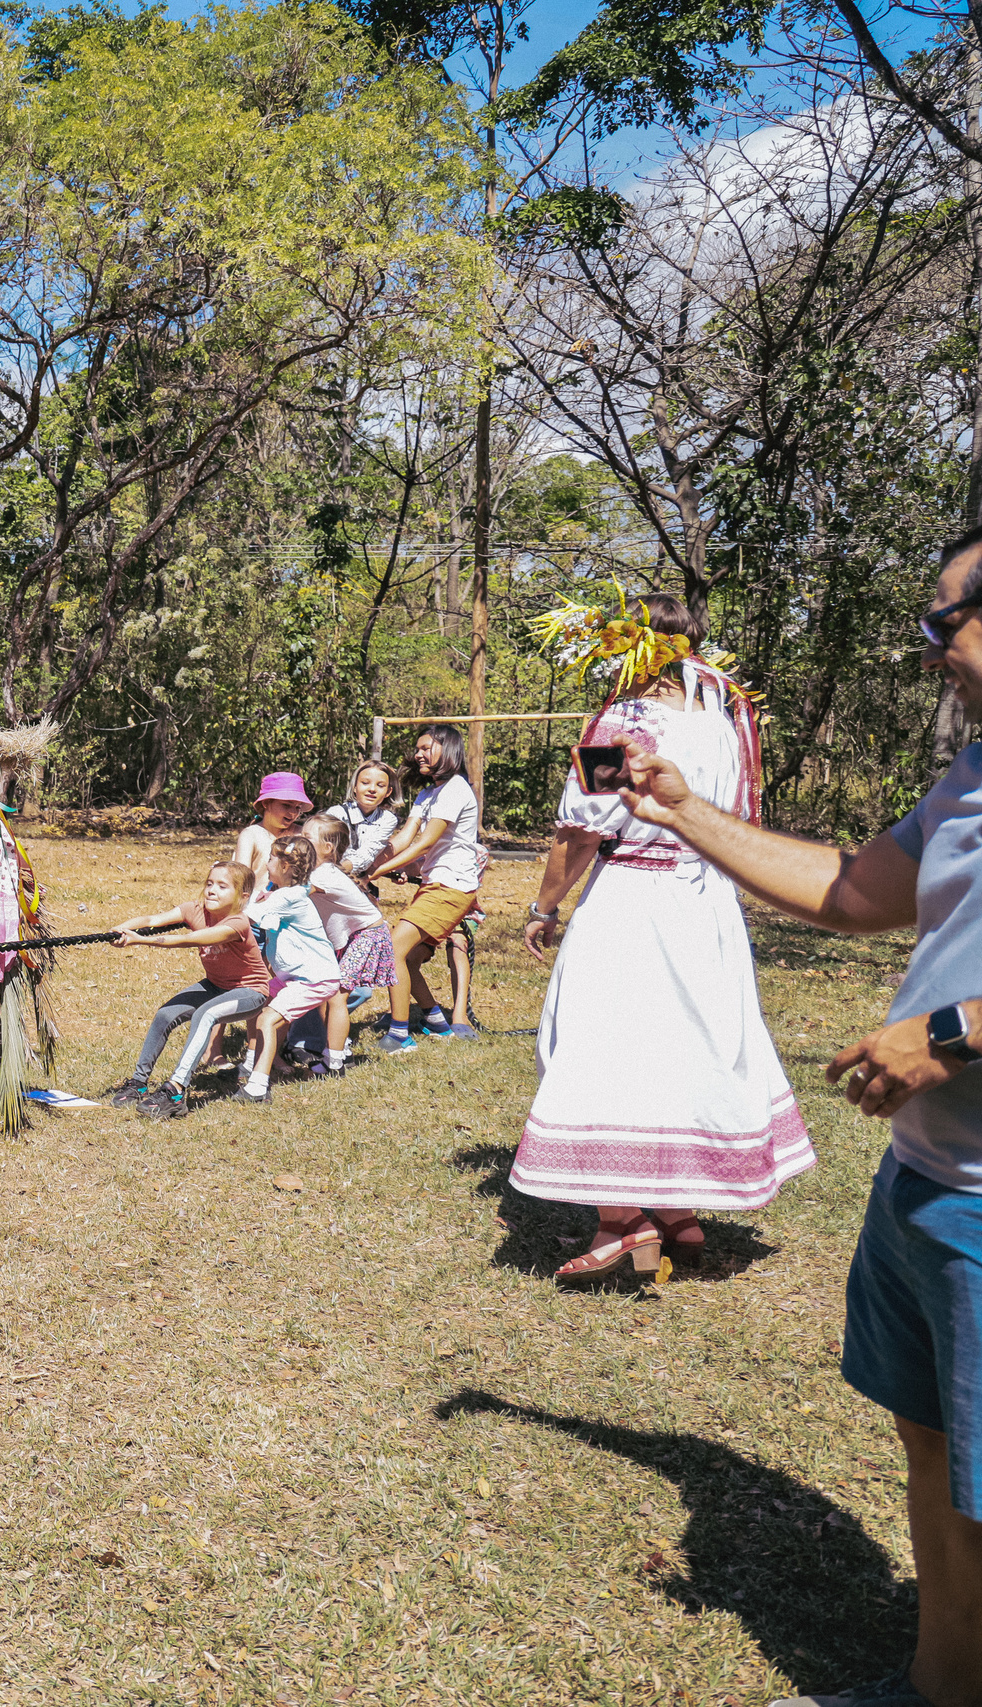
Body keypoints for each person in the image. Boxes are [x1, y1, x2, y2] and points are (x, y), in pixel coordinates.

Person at [632, 531, 982, 1707]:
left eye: (943, 620)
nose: (927, 646)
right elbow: (850, 890)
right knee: (934, 1462)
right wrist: (687, 812)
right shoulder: (969, 776)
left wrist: (947, 1035)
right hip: (927, 1184)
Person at [513, 594, 812, 1285]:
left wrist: (544, 905)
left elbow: (583, 828)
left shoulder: (623, 720)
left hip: (634, 900)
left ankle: (622, 1222)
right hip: (707, 903)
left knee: (603, 1041)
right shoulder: (726, 711)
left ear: (623, 643)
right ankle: (681, 1211)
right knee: (687, 1043)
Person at [107, 861, 270, 1118]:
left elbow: (187, 939)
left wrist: (140, 940)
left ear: (242, 896)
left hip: (250, 991)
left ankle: (175, 1091)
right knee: (165, 1014)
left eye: (222, 886)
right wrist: (121, 928)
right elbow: (153, 919)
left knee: (205, 1014)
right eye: (209, 884)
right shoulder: (194, 910)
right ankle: (138, 1084)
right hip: (215, 985)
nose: (211, 891)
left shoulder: (237, 923)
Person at [365, 725, 486, 1054]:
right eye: (416, 748)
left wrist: (375, 871)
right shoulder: (428, 793)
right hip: (435, 885)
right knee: (411, 959)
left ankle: (400, 1034)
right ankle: (435, 1021)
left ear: (448, 750)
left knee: (392, 950)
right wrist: (364, 859)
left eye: (426, 748)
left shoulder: (456, 789)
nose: (418, 754)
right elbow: (405, 838)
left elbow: (425, 843)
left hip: (451, 886)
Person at [234, 837, 345, 1104]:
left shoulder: (289, 897)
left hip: (314, 979)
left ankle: (258, 1088)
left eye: (271, 858)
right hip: (294, 978)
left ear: (284, 866)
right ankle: (256, 1064)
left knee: (267, 1019)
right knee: (258, 1001)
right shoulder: (285, 894)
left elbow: (246, 917)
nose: (267, 862)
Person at [300, 812, 393, 1070]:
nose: (300, 840)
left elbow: (296, 894)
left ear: (327, 848)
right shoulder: (318, 871)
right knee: (329, 992)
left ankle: (335, 1061)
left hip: (367, 935)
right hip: (353, 937)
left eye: (306, 837)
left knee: (337, 996)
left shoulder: (324, 875)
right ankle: (338, 1047)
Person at [234, 772, 313, 891]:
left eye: (298, 807)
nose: (293, 813)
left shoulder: (301, 834)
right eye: (286, 805)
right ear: (266, 803)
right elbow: (240, 877)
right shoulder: (252, 835)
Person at [336, 759, 400, 885]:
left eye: (380, 786)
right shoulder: (337, 814)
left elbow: (369, 852)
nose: (372, 789)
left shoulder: (388, 820)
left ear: (388, 792)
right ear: (355, 787)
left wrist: (342, 870)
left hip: (355, 880)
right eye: (365, 783)